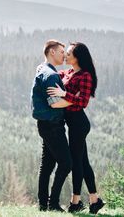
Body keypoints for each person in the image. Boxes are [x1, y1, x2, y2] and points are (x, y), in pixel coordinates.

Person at [47, 42, 105, 214]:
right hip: (72, 123)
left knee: (76, 162)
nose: (66, 55)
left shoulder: (85, 76)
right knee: (83, 162)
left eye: (69, 53)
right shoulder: (69, 72)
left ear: (78, 57)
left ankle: (75, 202)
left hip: (78, 123)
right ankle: (94, 200)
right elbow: (54, 75)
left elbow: (83, 102)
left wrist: (65, 94)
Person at [31, 39, 72, 212]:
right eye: (62, 52)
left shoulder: (43, 69)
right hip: (53, 126)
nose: (64, 55)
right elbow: (55, 103)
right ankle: (53, 203)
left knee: (47, 165)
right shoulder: (51, 75)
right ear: (52, 52)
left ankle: (42, 204)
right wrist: (75, 100)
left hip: (45, 125)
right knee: (66, 163)